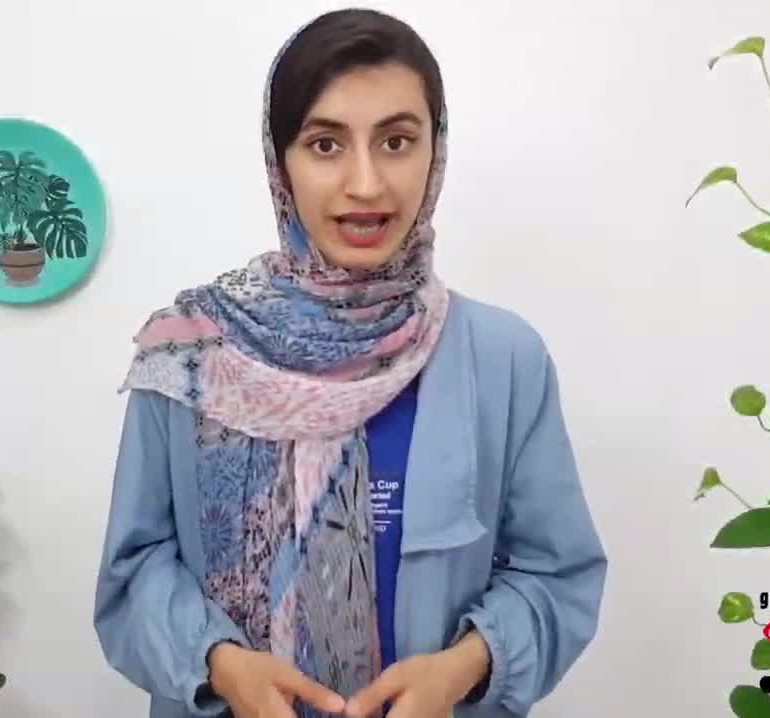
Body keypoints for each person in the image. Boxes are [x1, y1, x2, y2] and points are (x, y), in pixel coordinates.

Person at [94, 8, 607, 718]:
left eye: (397, 141)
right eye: (326, 144)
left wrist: (463, 667)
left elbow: (556, 573)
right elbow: (134, 571)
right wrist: (218, 664)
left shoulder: (503, 359)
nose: (366, 184)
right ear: (280, 162)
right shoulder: (194, 352)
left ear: (435, 152)